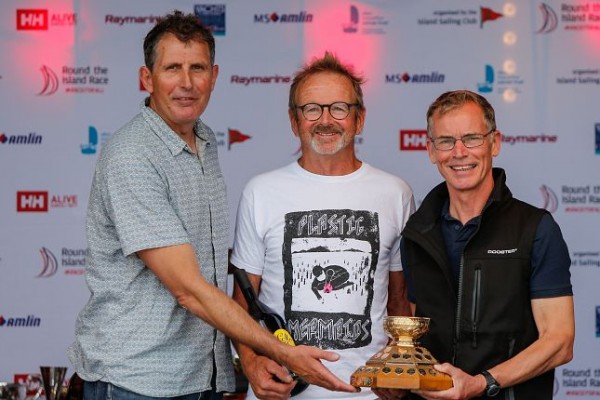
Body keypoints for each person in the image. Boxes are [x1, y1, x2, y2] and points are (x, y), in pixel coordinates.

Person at [67, 12, 357, 400]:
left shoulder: (202, 140)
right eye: (172, 68)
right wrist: (282, 351)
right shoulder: (132, 156)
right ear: (146, 79)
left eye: (197, 68)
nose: (186, 83)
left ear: (214, 77)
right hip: (138, 382)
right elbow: (189, 289)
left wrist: (248, 359)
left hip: (198, 377)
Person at [230, 52, 415, 400]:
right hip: (283, 394)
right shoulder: (261, 192)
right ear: (293, 120)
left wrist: (400, 365)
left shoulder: (395, 193)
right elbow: (240, 305)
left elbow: (401, 301)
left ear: (359, 119)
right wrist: (252, 363)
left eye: (339, 108)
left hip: (367, 394)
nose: (325, 120)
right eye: (311, 109)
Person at [397, 90, 574, 400]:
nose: (459, 152)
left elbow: (559, 341)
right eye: (446, 141)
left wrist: (482, 382)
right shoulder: (416, 233)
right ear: (430, 150)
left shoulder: (535, 229)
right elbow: (413, 333)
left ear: (495, 142)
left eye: (472, 138)